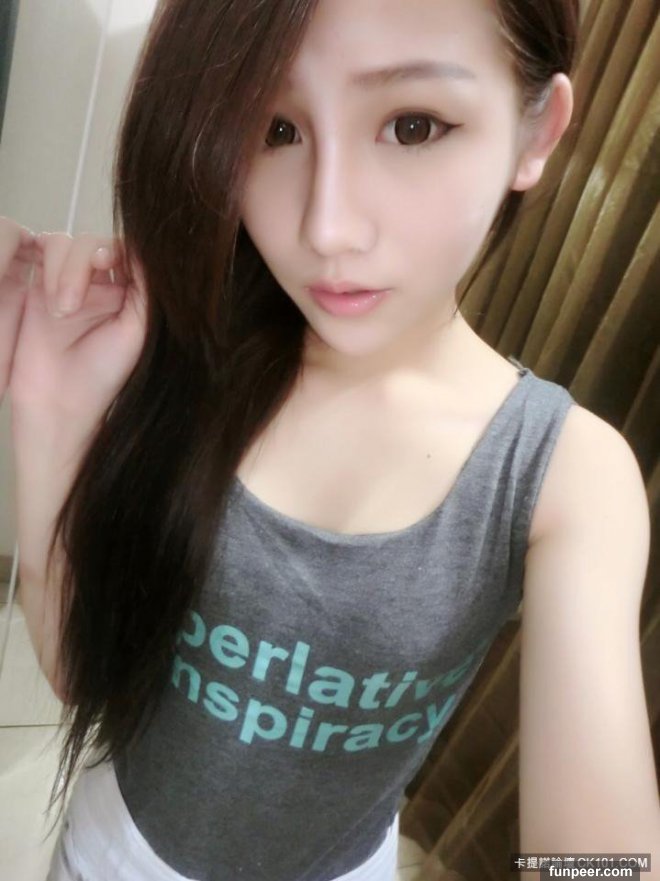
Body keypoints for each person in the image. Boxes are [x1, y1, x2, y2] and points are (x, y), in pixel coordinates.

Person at [3, 0, 659, 879]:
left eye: (413, 125)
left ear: (536, 130)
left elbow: (602, 861)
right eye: (272, 130)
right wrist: (49, 407)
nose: (326, 227)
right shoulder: (185, 352)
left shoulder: (561, 476)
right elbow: (82, 675)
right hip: (105, 850)